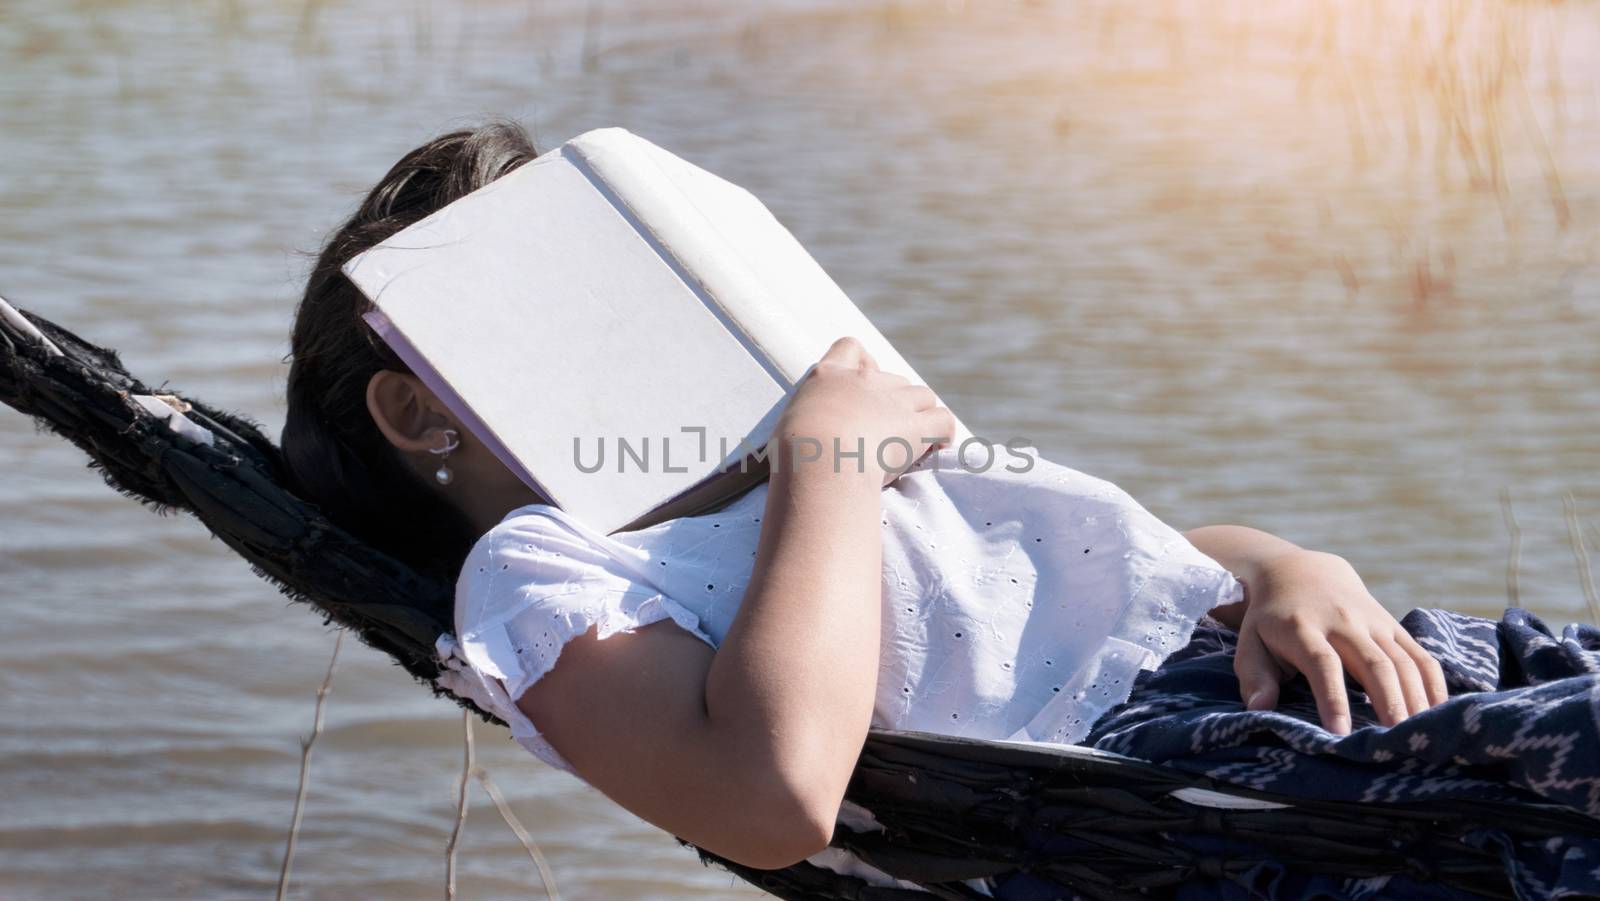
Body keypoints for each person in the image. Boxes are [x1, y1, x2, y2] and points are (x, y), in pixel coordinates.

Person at [282, 121, 1497, 878]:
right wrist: (829, 467)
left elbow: (1079, 562)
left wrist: (1285, 564)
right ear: (418, 411)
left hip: (1314, 677)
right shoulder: (546, 569)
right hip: (1190, 783)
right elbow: (770, 801)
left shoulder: (769, 452)